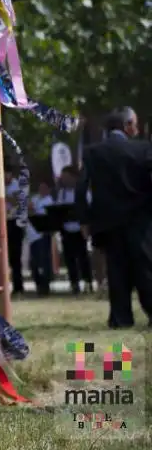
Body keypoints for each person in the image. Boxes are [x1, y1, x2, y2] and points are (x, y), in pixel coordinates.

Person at [76, 106, 152, 328]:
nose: (136, 128)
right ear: (127, 125)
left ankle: (121, 318)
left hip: (107, 222)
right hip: (141, 221)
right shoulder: (143, 150)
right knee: (145, 268)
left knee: (116, 270)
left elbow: (81, 189)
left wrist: (84, 219)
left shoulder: (92, 153)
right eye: (135, 123)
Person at [58, 165, 93, 294]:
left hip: (80, 229)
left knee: (83, 257)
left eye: (67, 177)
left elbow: (88, 208)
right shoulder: (62, 193)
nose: (64, 180)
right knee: (69, 258)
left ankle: (88, 282)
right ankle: (74, 283)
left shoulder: (83, 192)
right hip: (66, 229)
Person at [27, 181, 55, 296]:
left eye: (44, 188)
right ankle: (38, 284)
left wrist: (32, 209)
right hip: (32, 236)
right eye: (40, 188)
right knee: (34, 262)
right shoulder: (35, 199)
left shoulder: (49, 201)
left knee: (44, 262)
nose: (41, 190)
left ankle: (45, 286)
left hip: (42, 235)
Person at [4, 168, 24, 295]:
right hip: (4, 222)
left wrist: (5, 197)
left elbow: (19, 202)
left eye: (7, 173)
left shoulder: (17, 185)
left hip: (15, 222)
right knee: (5, 257)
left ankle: (18, 287)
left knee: (16, 257)